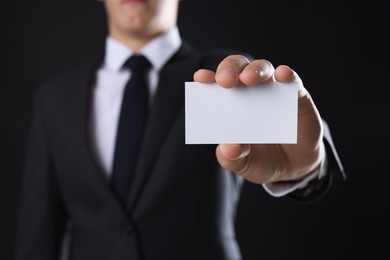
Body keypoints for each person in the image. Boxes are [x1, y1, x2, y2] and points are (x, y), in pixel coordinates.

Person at [15, 0, 346, 259]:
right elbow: (38, 238)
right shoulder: (55, 100)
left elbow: (296, 143)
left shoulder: (220, 78)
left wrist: (308, 168)